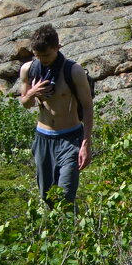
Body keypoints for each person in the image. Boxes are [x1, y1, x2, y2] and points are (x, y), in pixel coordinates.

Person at [19, 24, 94, 204]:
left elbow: (87, 107)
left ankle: (73, 230)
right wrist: (32, 92)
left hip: (70, 137)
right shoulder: (28, 69)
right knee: (47, 197)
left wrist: (86, 144)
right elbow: (26, 104)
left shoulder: (73, 70)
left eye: (46, 55)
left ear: (57, 48)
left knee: (65, 196)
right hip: (43, 138)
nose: (42, 60)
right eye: (38, 56)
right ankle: (61, 231)